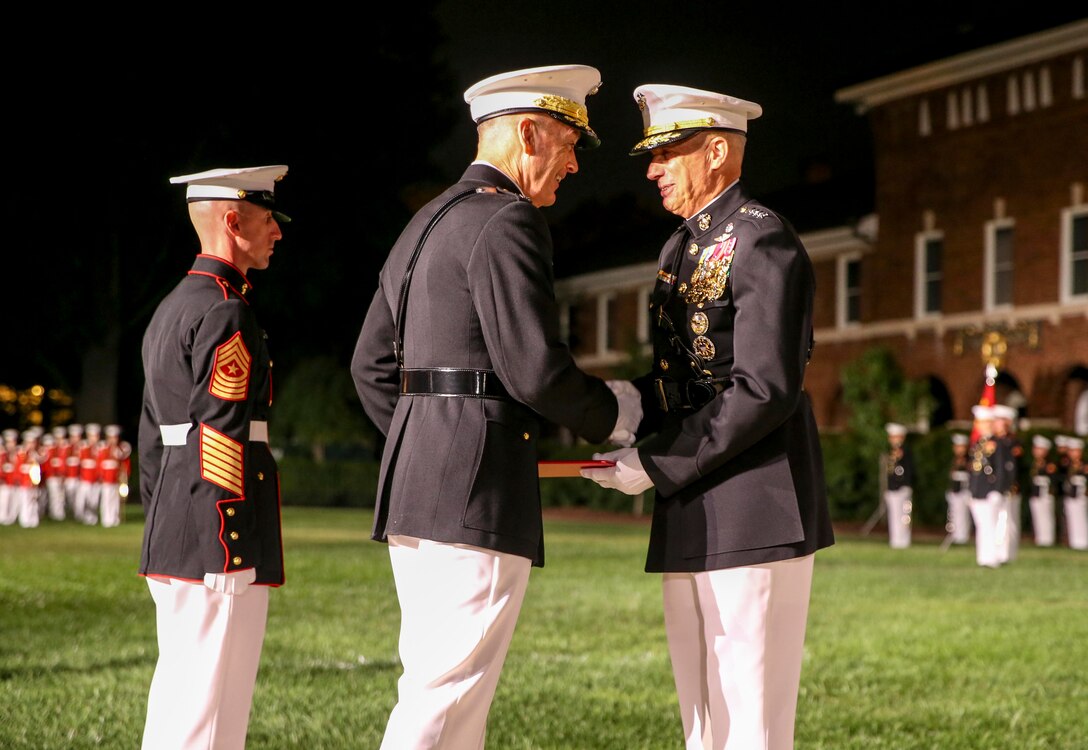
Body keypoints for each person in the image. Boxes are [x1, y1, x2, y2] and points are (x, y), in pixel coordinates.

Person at [352, 64, 641, 749]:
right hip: (474, 492)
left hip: (417, 490)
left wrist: (426, 442)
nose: (572, 165)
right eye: (569, 144)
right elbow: (536, 370)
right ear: (529, 133)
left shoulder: (423, 223)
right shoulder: (506, 218)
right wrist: (623, 415)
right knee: (444, 701)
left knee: (444, 693)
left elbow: (370, 367)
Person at [582, 83, 835, 750]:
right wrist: (623, 409)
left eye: (668, 152)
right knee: (699, 715)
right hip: (694, 499)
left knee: (747, 715)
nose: (652, 169)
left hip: (754, 500)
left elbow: (764, 388)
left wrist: (656, 461)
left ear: (718, 150)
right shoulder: (683, 246)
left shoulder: (763, 240)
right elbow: (682, 380)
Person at [138, 165, 289, 749]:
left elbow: (153, 437)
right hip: (216, 535)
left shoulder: (172, 306)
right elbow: (221, 437)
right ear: (233, 220)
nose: (277, 231)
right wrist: (229, 542)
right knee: (210, 715)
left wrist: (164, 518)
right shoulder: (227, 311)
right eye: (269, 217)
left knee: (182, 700)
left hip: (176, 525)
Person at [967, 405, 1008, 568]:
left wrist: (997, 490)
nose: (979, 426)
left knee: (990, 525)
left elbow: (1000, 468)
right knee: (981, 525)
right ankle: (983, 557)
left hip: (990, 490)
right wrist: (972, 491)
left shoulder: (997, 443)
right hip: (978, 491)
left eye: (983, 422)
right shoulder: (978, 443)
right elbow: (974, 471)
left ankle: (992, 558)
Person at [883, 422, 913, 549]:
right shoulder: (891, 453)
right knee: (893, 515)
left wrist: (901, 457)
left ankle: (904, 541)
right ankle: (895, 540)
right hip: (892, 488)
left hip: (903, 488)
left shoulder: (906, 452)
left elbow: (908, 471)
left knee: (903, 516)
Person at [1027, 435, 1058, 546]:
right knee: (1037, 516)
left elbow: (1052, 480)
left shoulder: (1049, 464)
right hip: (1036, 493)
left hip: (1045, 493)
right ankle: (1040, 539)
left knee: (1046, 516)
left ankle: (1047, 539)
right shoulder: (1034, 463)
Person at [98, 424, 131, 528]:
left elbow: (125, 464)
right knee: (106, 500)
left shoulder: (120, 450)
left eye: (115, 437)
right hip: (106, 480)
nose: (113, 440)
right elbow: (100, 463)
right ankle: (106, 520)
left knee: (115, 500)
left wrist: (124, 476)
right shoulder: (103, 449)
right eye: (111, 437)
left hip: (116, 480)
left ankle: (115, 519)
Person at [946, 433, 973, 544]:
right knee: (955, 514)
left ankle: (963, 537)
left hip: (965, 490)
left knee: (965, 515)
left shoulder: (969, 459)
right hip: (955, 490)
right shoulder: (953, 460)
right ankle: (956, 536)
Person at [1062, 437, 1087, 550]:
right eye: (1071, 451)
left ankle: (1082, 542)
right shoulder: (1067, 465)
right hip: (1070, 495)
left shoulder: (1084, 466)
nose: (1072, 453)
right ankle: (1074, 542)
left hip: (1081, 496)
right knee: (1072, 518)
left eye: (1075, 450)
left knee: (1081, 518)